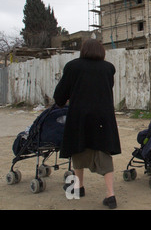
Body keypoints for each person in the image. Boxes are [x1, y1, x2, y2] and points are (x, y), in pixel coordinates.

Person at [53, 39, 121, 209]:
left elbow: (60, 94)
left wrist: (62, 101)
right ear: (101, 51)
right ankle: (110, 194)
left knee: (78, 147)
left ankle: (78, 187)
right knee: (103, 151)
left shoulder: (72, 66)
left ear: (83, 51)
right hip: (103, 117)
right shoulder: (108, 68)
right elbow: (107, 88)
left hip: (79, 116)